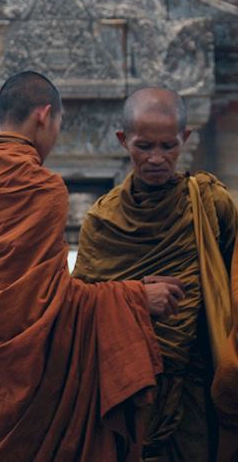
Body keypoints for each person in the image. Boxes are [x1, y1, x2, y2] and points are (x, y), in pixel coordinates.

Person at [0, 71, 185, 461]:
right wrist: (137, 297)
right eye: (58, 125)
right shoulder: (44, 188)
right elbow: (53, 303)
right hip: (36, 390)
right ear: (45, 116)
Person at [73, 87, 238, 461]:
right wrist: (132, 298)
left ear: (186, 139)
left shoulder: (210, 202)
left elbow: (233, 279)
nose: (157, 159)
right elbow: (78, 309)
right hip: (127, 389)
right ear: (122, 140)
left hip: (197, 384)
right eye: (144, 146)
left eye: (168, 146)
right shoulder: (103, 221)